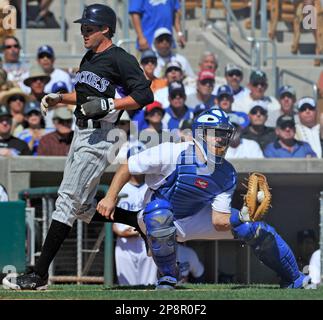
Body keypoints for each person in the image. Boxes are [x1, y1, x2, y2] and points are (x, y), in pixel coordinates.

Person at [2, 4, 153, 290]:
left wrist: (112, 104)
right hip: (82, 133)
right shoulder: (89, 57)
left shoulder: (120, 58)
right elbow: (86, 97)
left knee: (67, 200)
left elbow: (145, 94)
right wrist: (60, 98)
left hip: (104, 134)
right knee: (82, 208)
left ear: (105, 29)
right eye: (82, 27)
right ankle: (139, 220)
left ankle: (38, 275)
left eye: (89, 28)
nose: (83, 32)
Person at [95, 107, 312, 290]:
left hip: (193, 218)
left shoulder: (227, 173)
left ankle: (294, 279)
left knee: (257, 229)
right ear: (200, 134)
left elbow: (219, 221)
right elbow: (129, 166)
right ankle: (168, 276)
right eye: (215, 132)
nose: (221, 138)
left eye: (224, 133)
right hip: (153, 215)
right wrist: (110, 197)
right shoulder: (173, 152)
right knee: (160, 213)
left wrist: (246, 215)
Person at [113, 174, 157, 286]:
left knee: (149, 284)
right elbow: (112, 221)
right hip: (124, 245)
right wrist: (119, 232)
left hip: (147, 242)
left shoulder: (151, 186)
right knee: (126, 285)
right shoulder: (120, 187)